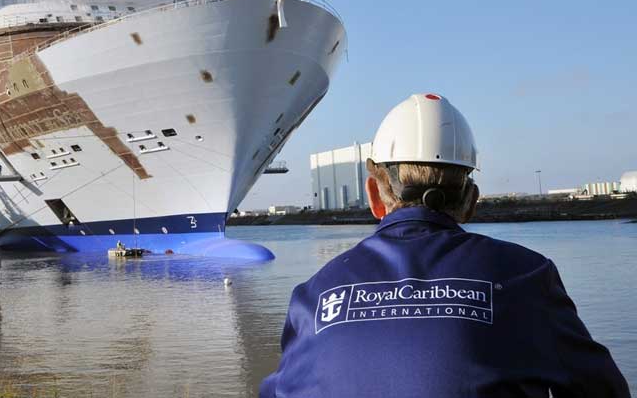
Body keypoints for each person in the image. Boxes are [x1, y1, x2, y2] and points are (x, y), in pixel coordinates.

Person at [260, 94, 629, 398]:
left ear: (374, 193)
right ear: (471, 198)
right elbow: (601, 389)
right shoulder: (526, 276)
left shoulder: (315, 292)